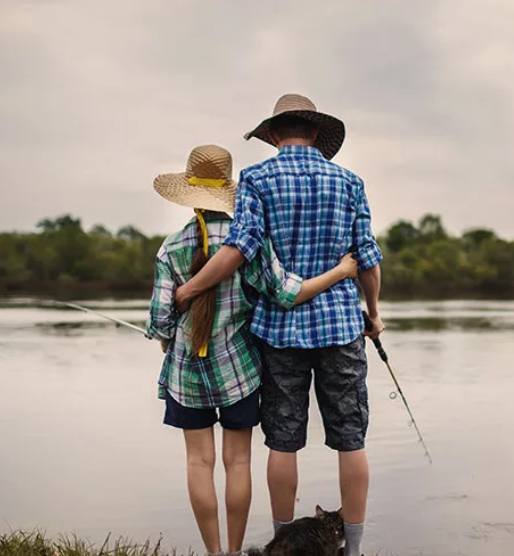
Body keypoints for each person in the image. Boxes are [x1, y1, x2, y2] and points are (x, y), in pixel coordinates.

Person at [174, 94, 384, 556]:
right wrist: (373, 314)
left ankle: (283, 546)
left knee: (284, 442)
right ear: (314, 134)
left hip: (278, 331)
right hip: (341, 329)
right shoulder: (350, 181)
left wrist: (190, 289)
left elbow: (240, 250)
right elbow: (367, 259)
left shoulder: (257, 179)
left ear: (271, 135)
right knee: (351, 441)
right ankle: (354, 549)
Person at [146, 144, 359, 556]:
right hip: (240, 372)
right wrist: (341, 271)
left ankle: (213, 554)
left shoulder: (170, 248)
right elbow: (288, 293)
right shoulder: (251, 245)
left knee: (198, 464)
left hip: (186, 376)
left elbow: (160, 320)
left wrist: (166, 341)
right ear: (229, 194)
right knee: (237, 463)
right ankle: (234, 551)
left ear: (190, 195)